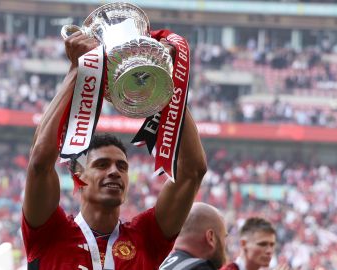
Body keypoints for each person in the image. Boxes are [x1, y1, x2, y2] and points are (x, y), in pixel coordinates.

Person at [21, 31, 207, 269]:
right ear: (78, 175)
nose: (114, 172)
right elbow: (39, 163)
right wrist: (79, 70)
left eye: (122, 166)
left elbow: (192, 172)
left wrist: (163, 80)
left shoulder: (146, 237)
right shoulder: (50, 232)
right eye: (101, 164)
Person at [159, 202, 227, 270]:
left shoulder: (160, 263)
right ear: (211, 238)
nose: (225, 244)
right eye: (224, 237)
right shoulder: (200, 268)